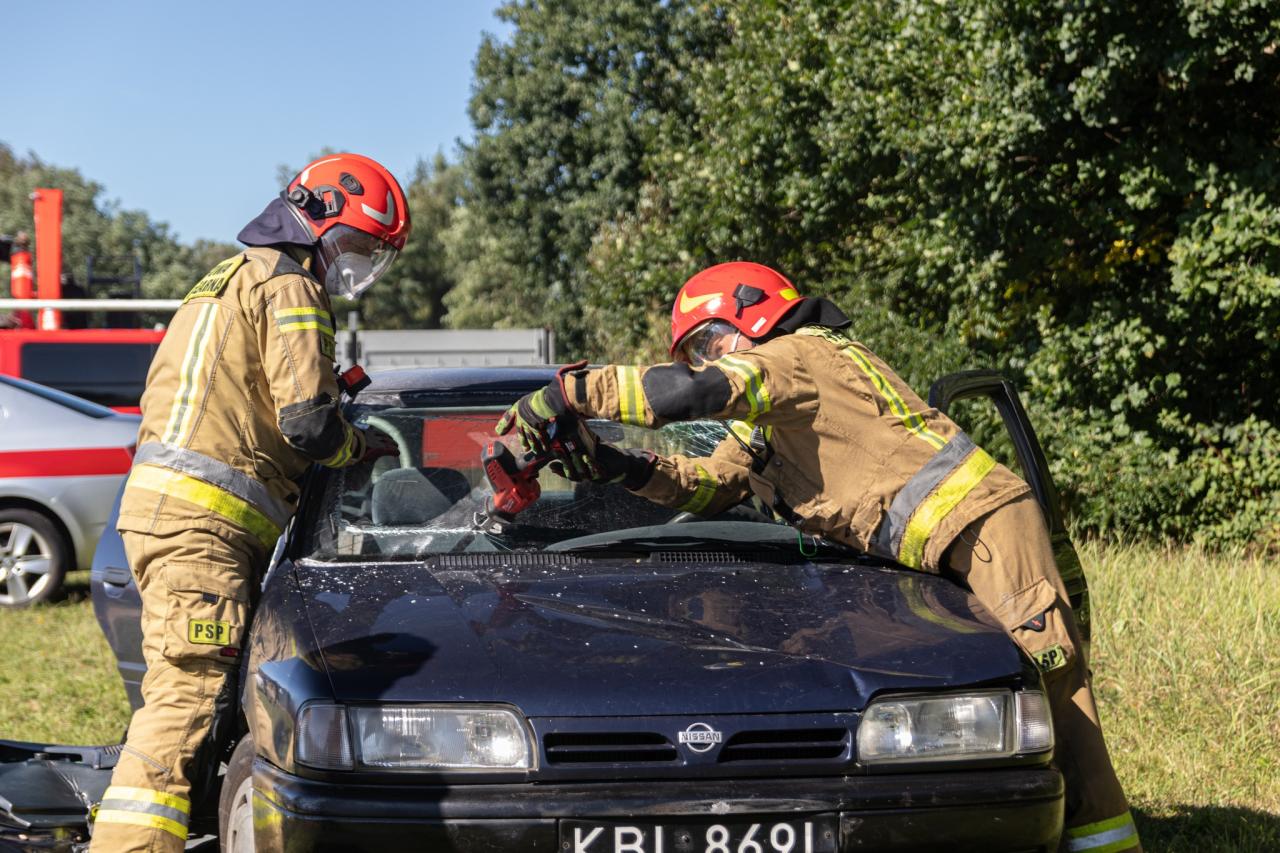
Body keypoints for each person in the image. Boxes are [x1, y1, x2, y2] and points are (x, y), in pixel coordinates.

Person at [497, 261, 1140, 853]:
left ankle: (1104, 842)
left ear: (749, 314)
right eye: (698, 350)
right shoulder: (769, 420)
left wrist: (569, 393)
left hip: (983, 526)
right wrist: (614, 464)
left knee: (1054, 690)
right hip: (929, 554)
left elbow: (688, 396)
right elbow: (709, 485)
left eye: (708, 342)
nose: (706, 359)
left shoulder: (799, 356)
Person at [89, 153, 410, 853]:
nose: (350, 272)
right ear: (318, 216)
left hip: (164, 512)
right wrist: (359, 449)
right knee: (184, 699)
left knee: (181, 694)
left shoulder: (226, 279)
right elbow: (309, 424)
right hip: (205, 526)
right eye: (354, 249)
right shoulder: (291, 286)